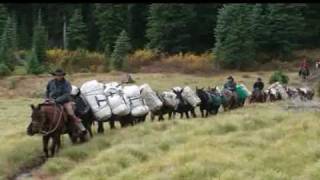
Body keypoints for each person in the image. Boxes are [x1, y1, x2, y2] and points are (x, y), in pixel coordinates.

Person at [45, 69, 87, 134]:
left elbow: (67, 94)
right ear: (54, 75)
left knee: (70, 112)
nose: (58, 77)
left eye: (60, 75)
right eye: (57, 75)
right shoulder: (50, 82)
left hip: (65, 102)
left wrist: (56, 100)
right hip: (51, 101)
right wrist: (47, 98)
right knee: (42, 111)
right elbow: (47, 91)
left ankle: (81, 126)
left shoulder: (66, 83)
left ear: (63, 76)